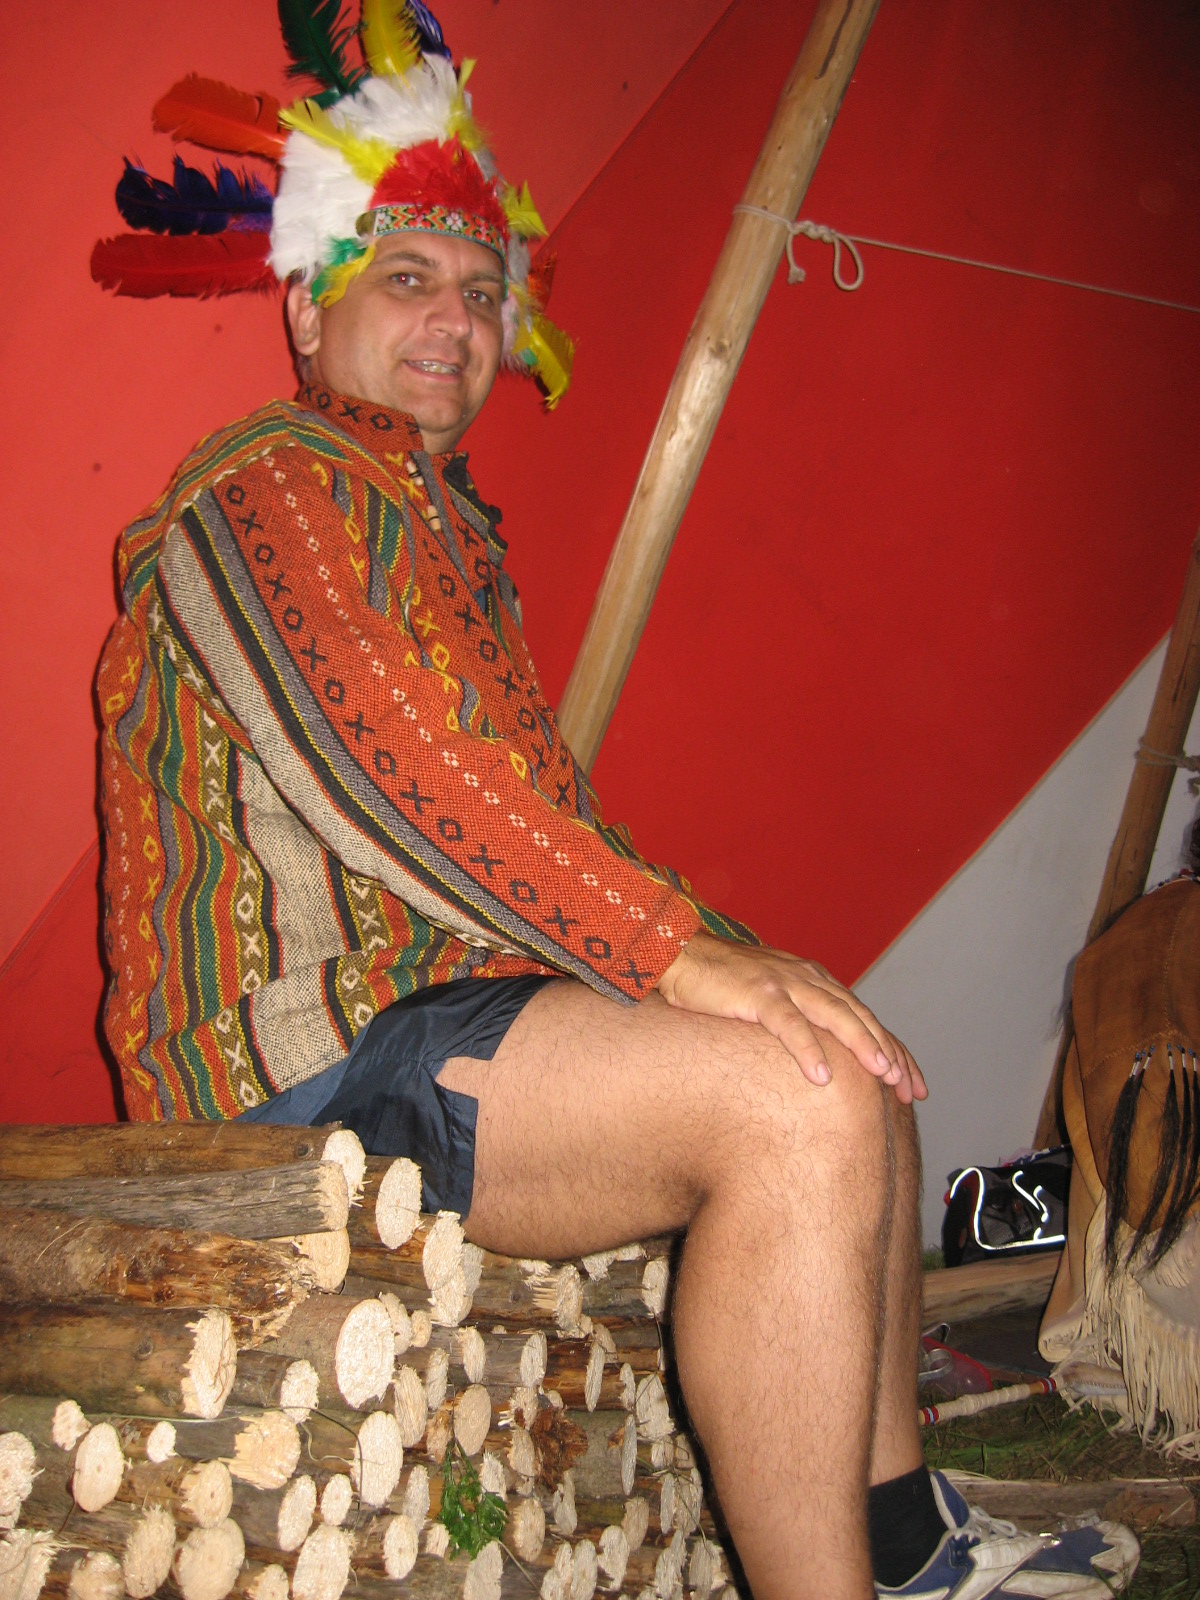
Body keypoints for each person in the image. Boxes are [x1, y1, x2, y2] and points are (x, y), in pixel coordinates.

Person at [92, 7, 1138, 1596]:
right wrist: (684, 959)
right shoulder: (268, 489)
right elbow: (405, 778)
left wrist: (759, 968)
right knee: (792, 1100)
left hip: (442, 1017)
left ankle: (907, 1547)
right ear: (307, 305)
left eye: (482, 291)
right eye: (406, 278)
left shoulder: (449, 538)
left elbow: (540, 822)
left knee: (839, 1055)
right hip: (296, 1064)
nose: (456, 319)